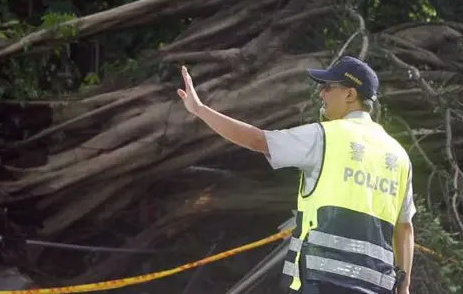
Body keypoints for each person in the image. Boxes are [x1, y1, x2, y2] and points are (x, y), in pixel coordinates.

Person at [176, 56, 415, 294]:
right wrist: (404, 287)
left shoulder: (326, 136)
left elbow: (259, 140)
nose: (321, 94)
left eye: (328, 87)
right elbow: (404, 228)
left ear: (350, 95)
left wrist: (200, 110)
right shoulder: (399, 155)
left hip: (321, 282)